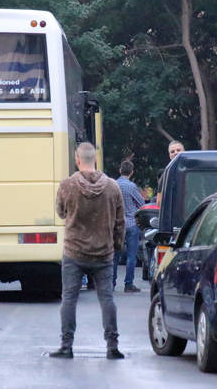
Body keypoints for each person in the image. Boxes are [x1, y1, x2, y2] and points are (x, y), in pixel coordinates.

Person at [50, 142, 126, 360]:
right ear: (95, 158)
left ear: (77, 159)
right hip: (103, 253)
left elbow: (61, 212)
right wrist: (116, 246)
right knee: (107, 299)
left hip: (74, 252)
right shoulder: (112, 187)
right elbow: (120, 222)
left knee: (69, 299)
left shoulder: (67, 185)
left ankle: (66, 346)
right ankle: (112, 346)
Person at [113, 160, 143, 293]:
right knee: (131, 255)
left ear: (120, 170)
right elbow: (141, 204)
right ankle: (128, 284)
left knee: (114, 255)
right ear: (132, 172)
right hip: (131, 224)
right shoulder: (132, 186)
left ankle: (111, 283)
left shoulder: (113, 185)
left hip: (116, 224)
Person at [156, 140, 185, 207]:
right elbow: (159, 202)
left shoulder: (193, 169)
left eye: (178, 150)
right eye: (172, 152)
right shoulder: (166, 174)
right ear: (169, 156)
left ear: (184, 152)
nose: (175, 153)